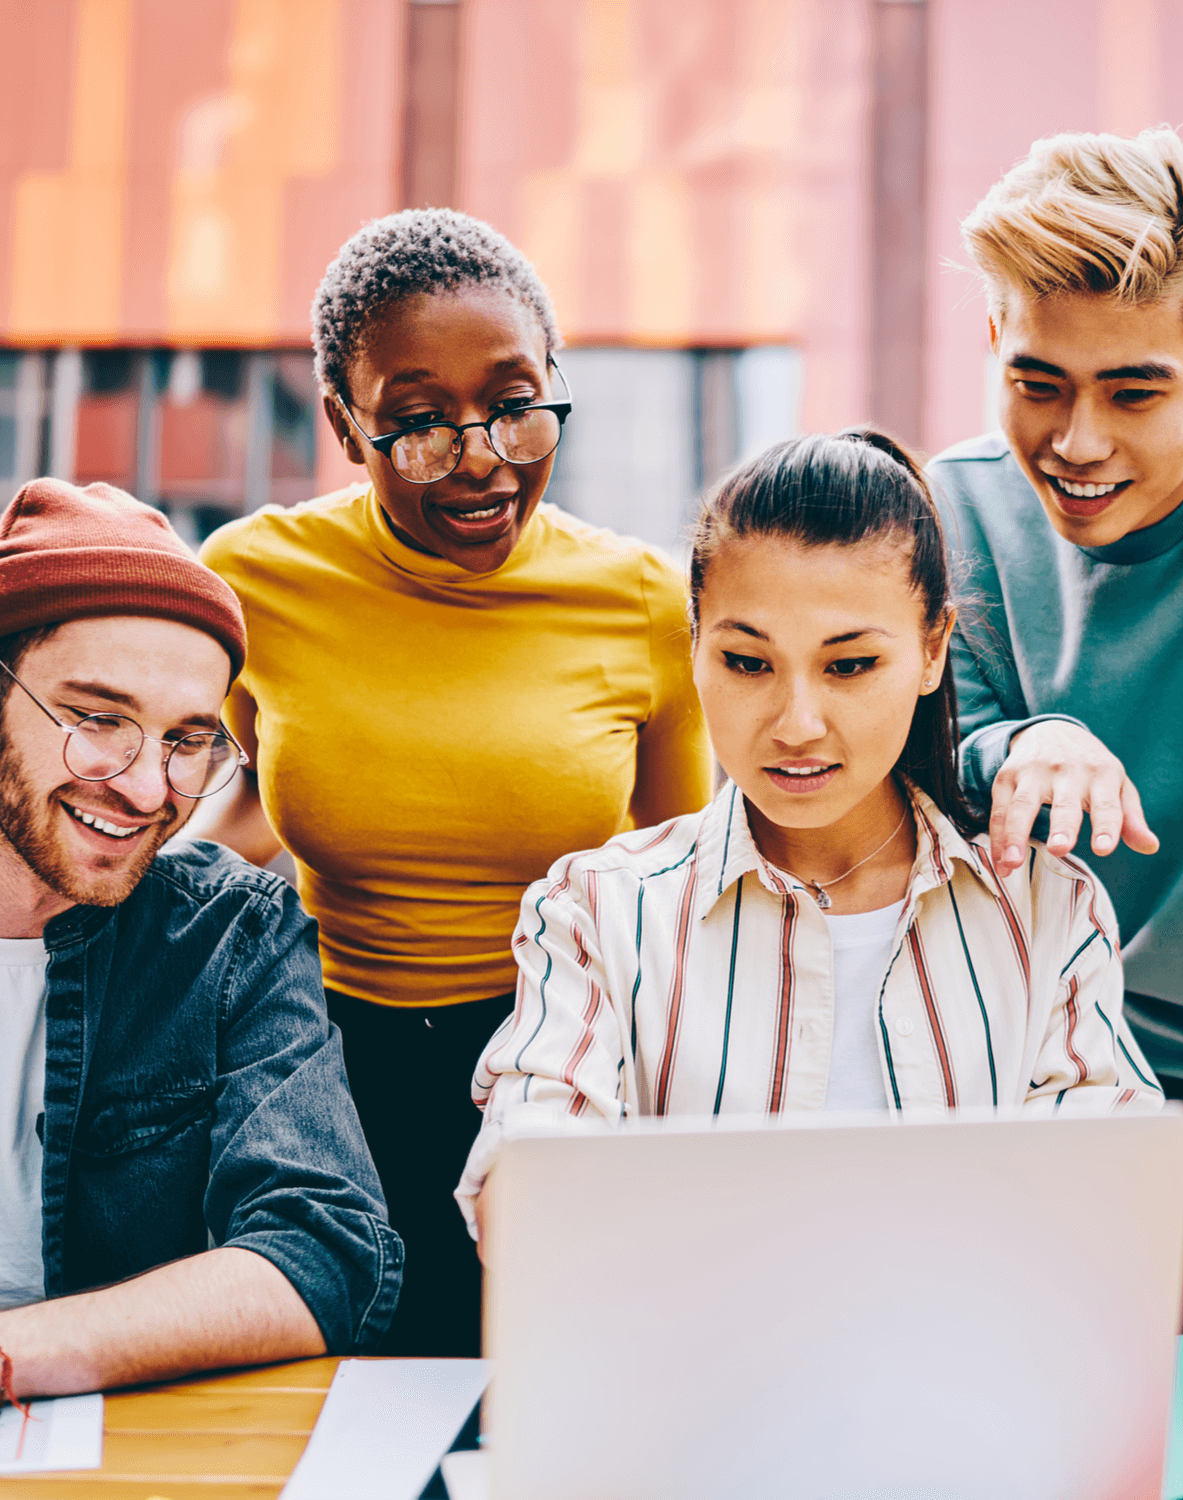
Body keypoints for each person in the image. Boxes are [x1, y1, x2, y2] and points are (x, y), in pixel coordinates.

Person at [200, 208, 712, 1356]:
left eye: (516, 405)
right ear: (344, 422)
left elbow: (683, 873)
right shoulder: (250, 581)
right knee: (344, 1391)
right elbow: (244, 801)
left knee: (535, 1391)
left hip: (553, 1064)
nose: (481, 457)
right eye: (419, 424)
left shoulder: (637, 601)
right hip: (315, 1069)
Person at [456, 430, 1161, 1239]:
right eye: (748, 664)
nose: (796, 725)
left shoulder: (1047, 909)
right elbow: (527, 1173)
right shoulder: (594, 909)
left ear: (933, 652)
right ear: (694, 649)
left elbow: (1101, 1204)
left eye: (850, 665)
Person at [927, 127, 1183, 1344]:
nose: (1075, 442)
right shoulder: (947, 508)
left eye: (1132, 391)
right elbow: (923, 755)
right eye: (1036, 383)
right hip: (1051, 1101)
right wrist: (1016, 742)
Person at [0, 479, 401, 1402]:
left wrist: (13, 1357)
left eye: (187, 740)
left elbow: (324, 1252)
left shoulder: (232, 935)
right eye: (99, 719)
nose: (148, 791)